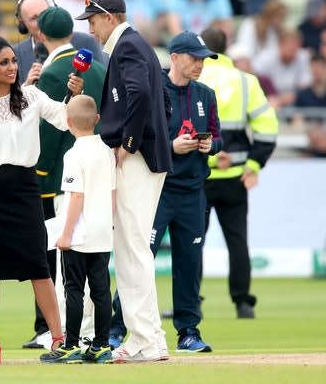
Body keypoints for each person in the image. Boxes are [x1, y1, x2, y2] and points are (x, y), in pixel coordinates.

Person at [0, 35, 82, 364]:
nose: (12, 67)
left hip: (25, 190)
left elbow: (66, 119)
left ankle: (58, 339)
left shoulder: (32, 96)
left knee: (39, 268)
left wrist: (76, 95)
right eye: (4, 63)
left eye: (13, 61)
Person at [109, 31, 222, 353]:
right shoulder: (156, 88)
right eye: (194, 58)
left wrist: (209, 145)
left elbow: (218, 136)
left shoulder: (206, 94)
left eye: (203, 59)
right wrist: (170, 147)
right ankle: (118, 327)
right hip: (158, 189)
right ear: (174, 57)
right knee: (139, 260)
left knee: (189, 264)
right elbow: (143, 133)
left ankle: (189, 331)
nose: (199, 65)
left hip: (192, 191)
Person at [75, 0, 172, 362]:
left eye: (94, 20)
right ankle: (155, 338)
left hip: (136, 160)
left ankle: (143, 340)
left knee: (131, 251)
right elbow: (160, 99)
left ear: (110, 17)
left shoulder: (128, 46)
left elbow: (143, 93)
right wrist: (151, 137)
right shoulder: (138, 45)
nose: (92, 29)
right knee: (136, 250)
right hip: (147, 158)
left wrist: (130, 143)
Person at [12, 0, 104, 350]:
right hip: (99, 168)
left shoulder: (51, 72)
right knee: (94, 255)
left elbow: (48, 133)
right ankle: (94, 330)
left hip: (65, 177)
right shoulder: (96, 66)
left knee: (68, 260)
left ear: (40, 35)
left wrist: (41, 175)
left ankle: (68, 330)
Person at [199, 27, 278, 319]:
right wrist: (254, 165)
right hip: (236, 177)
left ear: (201, 47)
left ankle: (190, 301)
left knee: (193, 243)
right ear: (227, 45)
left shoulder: (192, 78)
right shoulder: (246, 82)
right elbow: (268, 129)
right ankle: (243, 302)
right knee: (238, 242)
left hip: (199, 177)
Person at [39, 94, 116, 364]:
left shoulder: (73, 154)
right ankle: (102, 345)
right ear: (97, 119)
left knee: (74, 289)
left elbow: (76, 197)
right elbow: (113, 193)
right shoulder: (107, 151)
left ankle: (71, 345)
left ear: (68, 122)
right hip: (102, 233)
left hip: (79, 236)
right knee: (101, 290)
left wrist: (66, 234)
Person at [13, 0, 105, 90]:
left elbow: (101, 83)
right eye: (34, 18)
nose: (42, 21)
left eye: (45, 14)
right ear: (21, 24)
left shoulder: (86, 42)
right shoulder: (15, 53)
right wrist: (26, 86)